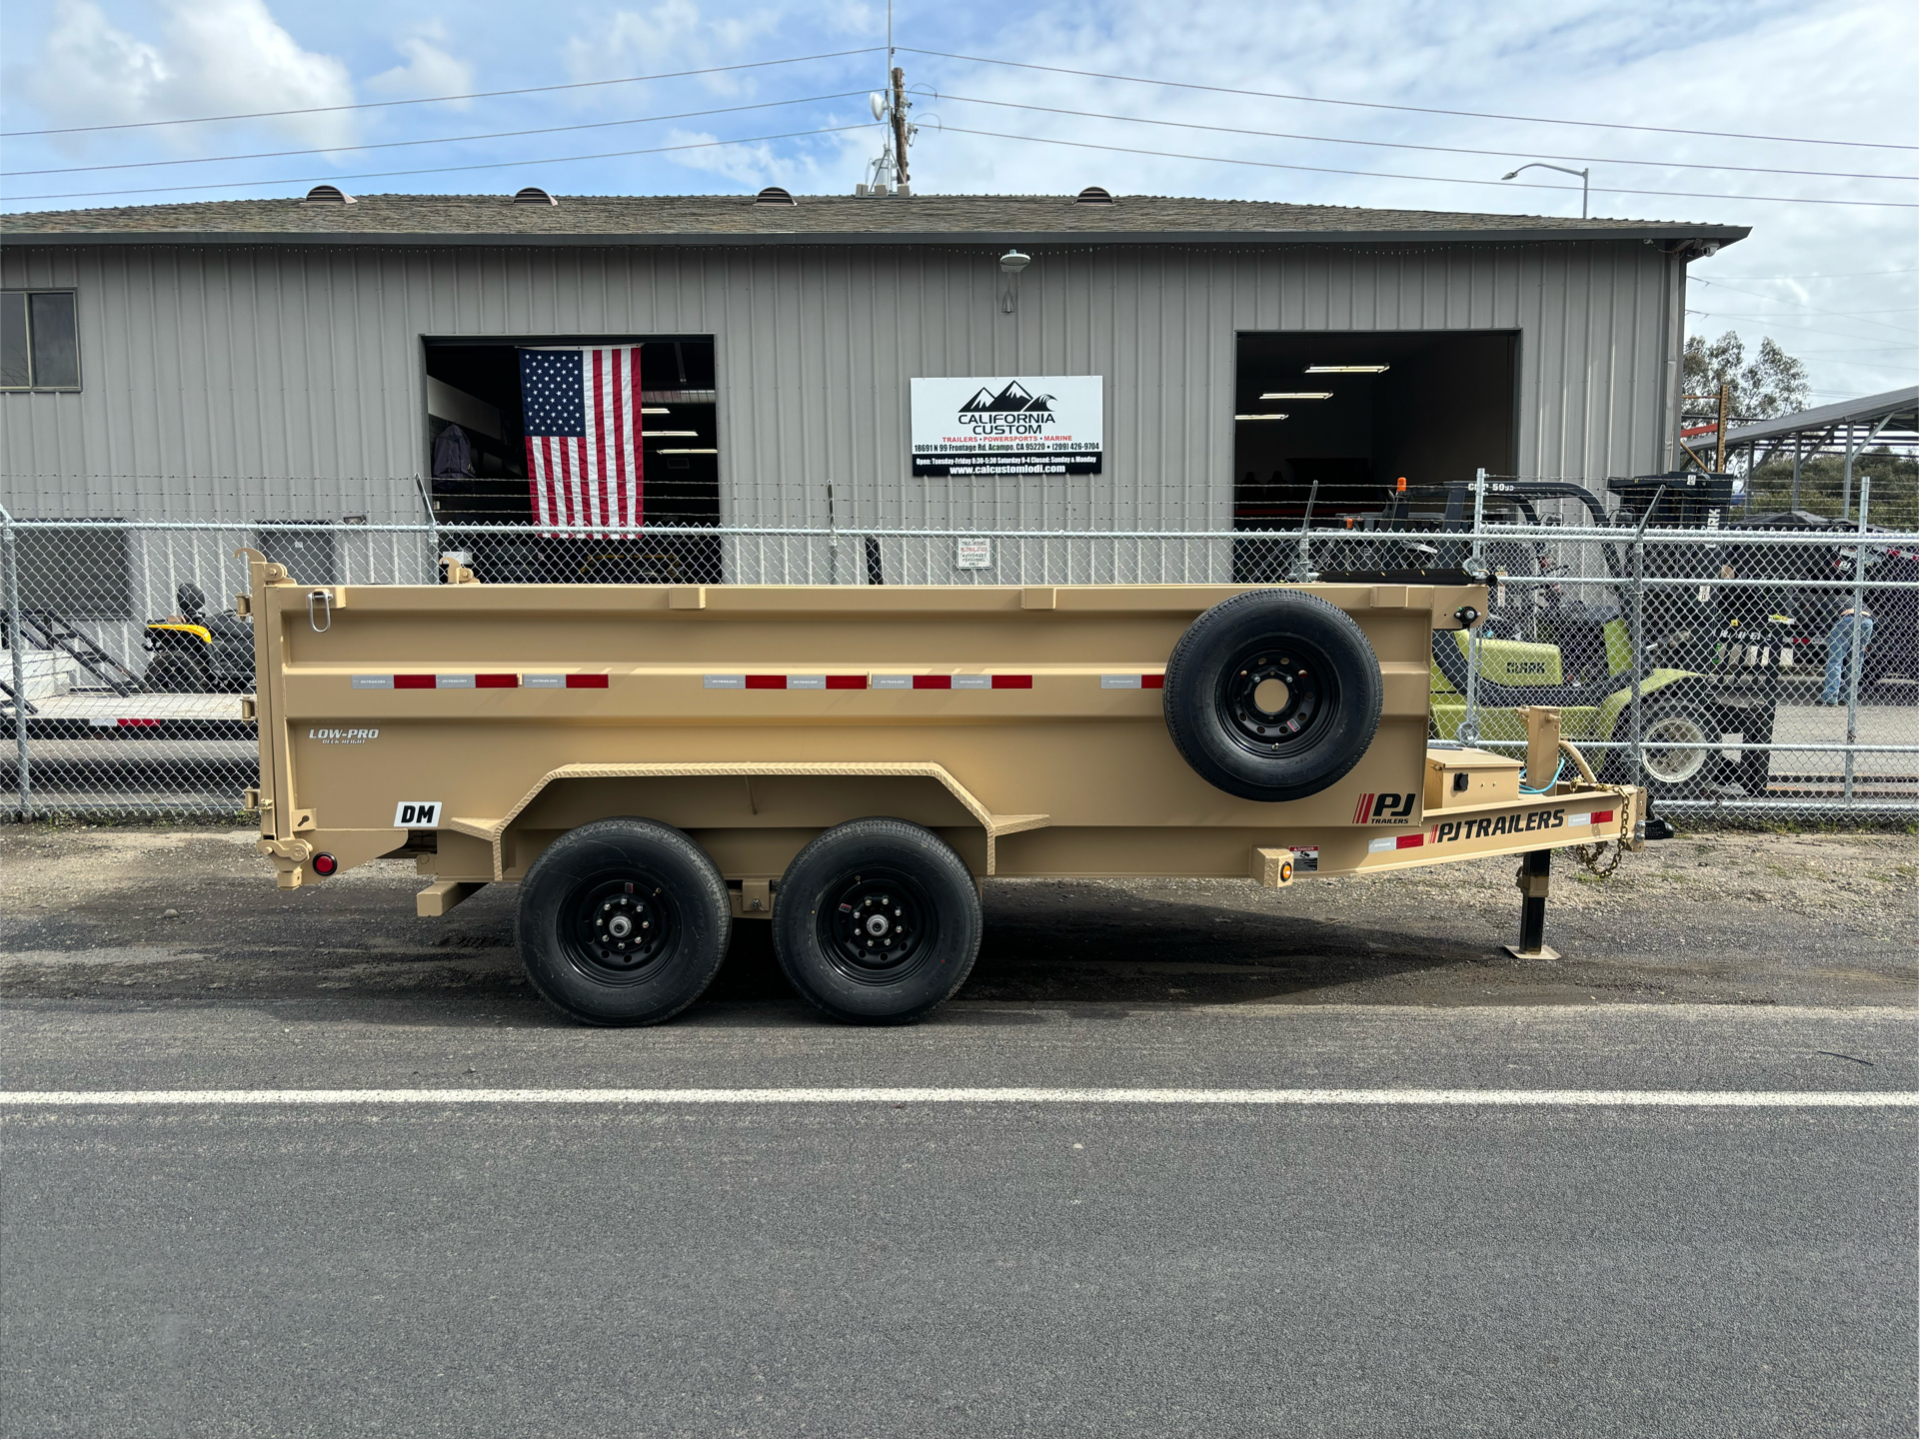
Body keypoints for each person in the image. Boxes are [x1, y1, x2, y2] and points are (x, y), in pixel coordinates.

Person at [1822, 599, 1874, 705]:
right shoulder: (1855, 598)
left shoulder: (1827, 600)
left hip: (1847, 619)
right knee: (1856, 661)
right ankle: (1849, 697)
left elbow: (1826, 622)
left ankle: (1830, 697)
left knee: (1835, 660)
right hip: (1868, 621)